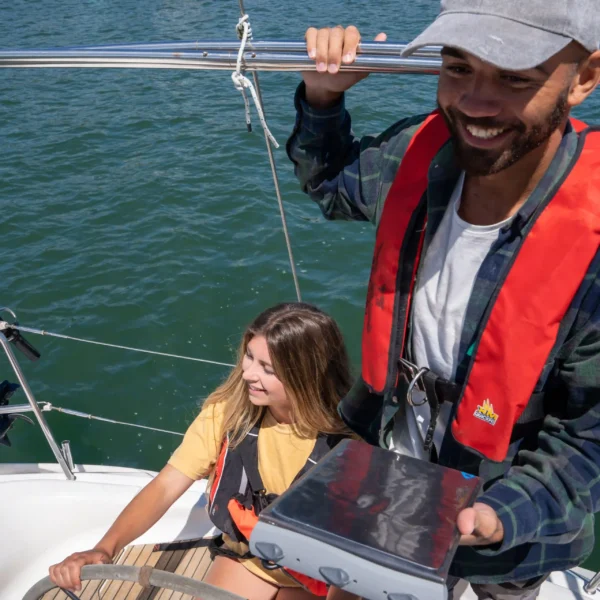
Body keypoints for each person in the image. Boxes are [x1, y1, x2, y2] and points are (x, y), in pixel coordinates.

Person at [287, 1, 600, 598]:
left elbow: (590, 437)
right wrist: (323, 97)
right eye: (458, 68)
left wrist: (502, 514)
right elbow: (330, 182)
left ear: (584, 77)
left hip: (505, 532)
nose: (476, 103)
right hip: (387, 472)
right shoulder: (418, 152)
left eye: (515, 78)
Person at [48, 302, 353, 600]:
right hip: (249, 558)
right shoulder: (229, 415)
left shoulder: (351, 444)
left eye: (267, 369)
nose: (247, 373)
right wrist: (105, 548)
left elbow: (356, 548)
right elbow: (166, 485)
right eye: (249, 356)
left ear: (306, 375)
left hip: (316, 577)